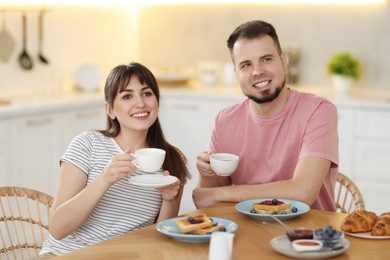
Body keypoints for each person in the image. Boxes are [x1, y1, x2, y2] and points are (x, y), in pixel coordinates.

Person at [40, 62, 190, 256]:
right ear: (110, 110)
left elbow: (160, 241)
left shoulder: (172, 160)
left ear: (157, 102)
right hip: (68, 254)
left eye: (147, 93)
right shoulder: (87, 144)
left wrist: (170, 199)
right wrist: (104, 179)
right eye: (127, 96)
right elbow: (58, 228)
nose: (140, 103)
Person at [192, 20, 338, 211]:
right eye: (246, 65)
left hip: (309, 236)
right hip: (245, 232)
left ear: (283, 60)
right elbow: (206, 202)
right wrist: (207, 174)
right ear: (236, 73)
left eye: (266, 59)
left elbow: (303, 192)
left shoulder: (318, 111)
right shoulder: (225, 120)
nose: (258, 71)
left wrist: (223, 194)